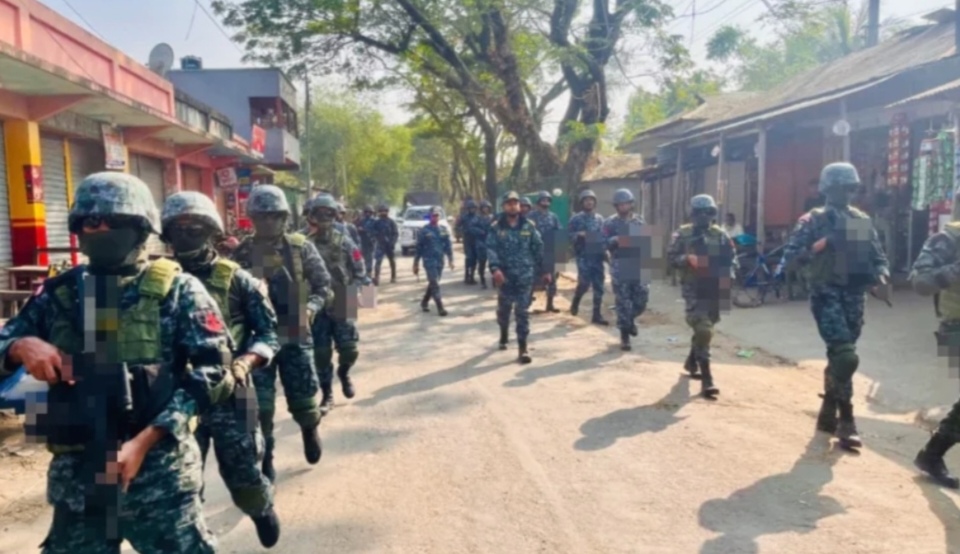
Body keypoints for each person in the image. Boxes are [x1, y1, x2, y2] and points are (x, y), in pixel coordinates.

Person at [2, 172, 232, 552]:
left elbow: (217, 370)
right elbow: (6, 345)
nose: (101, 230)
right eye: (91, 222)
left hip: (161, 480)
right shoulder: (59, 294)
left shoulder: (178, 290)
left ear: (141, 227)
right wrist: (19, 345)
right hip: (79, 483)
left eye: (115, 221)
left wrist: (148, 437)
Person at [161, 191, 281, 547]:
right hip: (178, 398)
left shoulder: (237, 279)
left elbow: (269, 333)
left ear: (211, 230)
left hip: (234, 391)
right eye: (178, 228)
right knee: (182, 483)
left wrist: (247, 360)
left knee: (245, 473)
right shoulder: (156, 281)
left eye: (195, 227)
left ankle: (260, 508)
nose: (186, 234)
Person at [776, 162, 890, 450]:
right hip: (826, 294)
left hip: (855, 296)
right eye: (842, 188)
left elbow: (878, 257)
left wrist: (881, 276)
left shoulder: (860, 220)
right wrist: (820, 245)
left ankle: (828, 406)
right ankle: (846, 420)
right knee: (846, 357)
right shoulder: (812, 221)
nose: (847, 194)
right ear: (828, 188)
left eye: (851, 188)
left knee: (840, 358)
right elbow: (789, 262)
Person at [231, 185, 331, 481]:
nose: (269, 222)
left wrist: (311, 308)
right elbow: (230, 296)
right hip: (257, 336)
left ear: (285, 217)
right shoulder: (242, 252)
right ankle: (267, 459)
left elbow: (323, 285)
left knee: (304, 398)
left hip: (295, 331)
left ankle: (309, 429)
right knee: (261, 408)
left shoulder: (300, 248)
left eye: (275, 216)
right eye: (262, 216)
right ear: (252, 218)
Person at [911, 190, 960, 489]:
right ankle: (932, 454)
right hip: (955, 328)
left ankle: (932, 454)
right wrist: (955, 270)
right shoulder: (947, 240)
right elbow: (921, 283)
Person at [667, 194, 738, 399]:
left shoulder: (720, 234)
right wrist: (687, 258)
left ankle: (692, 360)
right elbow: (670, 258)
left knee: (709, 324)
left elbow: (732, 259)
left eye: (708, 212)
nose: (704, 216)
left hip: (716, 286)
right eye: (699, 212)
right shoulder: (682, 234)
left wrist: (729, 274)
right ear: (692, 213)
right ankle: (707, 380)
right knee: (703, 328)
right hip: (693, 286)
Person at [305, 195, 369, 414]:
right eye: (319, 212)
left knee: (350, 350)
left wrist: (359, 293)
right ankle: (327, 395)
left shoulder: (344, 240)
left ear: (335, 215)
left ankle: (344, 373)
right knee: (321, 354)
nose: (324, 217)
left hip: (343, 297)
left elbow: (360, 269)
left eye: (328, 213)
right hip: (314, 304)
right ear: (311, 215)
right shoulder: (301, 242)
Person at [487, 191, 547, 364]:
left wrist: (545, 270)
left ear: (519, 206)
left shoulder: (528, 226)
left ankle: (523, 348)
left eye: (515, 203)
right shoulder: (496, 227)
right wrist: (495, 269)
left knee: (522, 312)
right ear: (503, 206)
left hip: (525, 276)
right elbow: (491, 249)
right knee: (504, 311)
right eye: (509, 203)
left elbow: (538, 248)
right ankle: (504, 333)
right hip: (504, 277)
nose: (512, 206)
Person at [603, 189, 650, 351]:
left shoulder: (639, 221)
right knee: (623, 301)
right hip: (619, 265)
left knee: (642, 298)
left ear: (631, 204)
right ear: (616, 206)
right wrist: (615, 240)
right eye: (620, 204)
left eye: (626, 204)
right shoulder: (610, 223)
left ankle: (629, 320)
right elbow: (602, 242)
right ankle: (625, 336)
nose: (623, 207)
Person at [568, 189, 609, 325]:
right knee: (584, 283)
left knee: (599, 287)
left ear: (595, 202)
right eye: (586, 200)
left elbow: (604, 236)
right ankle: (576, 300)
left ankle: (596, 315)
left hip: (597, 256)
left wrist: (606, 251)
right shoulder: (575, 219)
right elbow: (568, 235)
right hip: (583, 256)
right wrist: (579, 234)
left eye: (591, 200)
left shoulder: (600, 219)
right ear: (582, 203)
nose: (589, 202)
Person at [414, 206, 454, 316]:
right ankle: (440, 307)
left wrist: (451, 259)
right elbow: (419, 248)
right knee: (435, 283)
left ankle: (424, 301)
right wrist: (415, 263)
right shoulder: (424, 230)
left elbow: (448, 246)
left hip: (440, 260)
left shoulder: (443, 230)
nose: (435, 217)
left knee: (433, 283)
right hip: (428, 260)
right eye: (433, 215)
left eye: (437, 215)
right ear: (430, 216)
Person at [527, 191, 562, 313]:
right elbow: (525, 232)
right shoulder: (531, 216)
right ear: (538, 202)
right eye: (543, 200)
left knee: (552, 279)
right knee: (531, 279)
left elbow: (559, 232)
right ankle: (526, 305)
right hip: (535, 252)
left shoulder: (553, 217)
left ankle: (550, 305)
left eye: (547, 200)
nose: (545, 202)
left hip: (549, 251)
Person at [470, 200, 495, 289]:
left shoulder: (492, 217)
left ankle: (494, 280)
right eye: (484, 207)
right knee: (482, 263)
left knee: (493, 262)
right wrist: (480, 232)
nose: (485, 209)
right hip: (481, 243)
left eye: (487, 207)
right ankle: (482, 280)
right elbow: (471, 227)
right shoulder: (477, 218)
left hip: (491, 243)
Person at [372, 204, 399, 285]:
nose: (383, 212)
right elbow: (373, 232)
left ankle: (393, 277)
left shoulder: (391, 222)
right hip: (380, 245)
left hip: (389, 245)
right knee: (378, 262)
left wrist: (392, 242)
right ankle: (376, 278)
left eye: (385, 211)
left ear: (387, 212)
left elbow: (395, 233)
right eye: (381, 211)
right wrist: (377, 237)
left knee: (392, 261)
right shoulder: (377, 222)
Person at [460, 200, 479, 284]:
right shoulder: (464, 217)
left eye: (474, 208)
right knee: (469, 258)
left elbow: (481, 227)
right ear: (468, 209)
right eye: (471, 208)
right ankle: (467, 275)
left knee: (475, 259)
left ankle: (472, 276)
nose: (472, 209)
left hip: (476, 240)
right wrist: (464, 231)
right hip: (467, 241)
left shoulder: (478, 218)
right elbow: (457, 227)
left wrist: (478, 231)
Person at [357, 205, 377, 276]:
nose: (368, 213)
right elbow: (357, 230)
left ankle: (369, 273)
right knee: (362, 258)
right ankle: (364, 272)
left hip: (371, 242)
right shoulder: (361, 221)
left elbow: (376, 231)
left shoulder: (375, 221)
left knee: (370, 258)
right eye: (366, 212)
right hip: (363, 241)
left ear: (372, 213)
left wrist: (365, 230)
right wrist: (359, 229)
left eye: (369, 212)